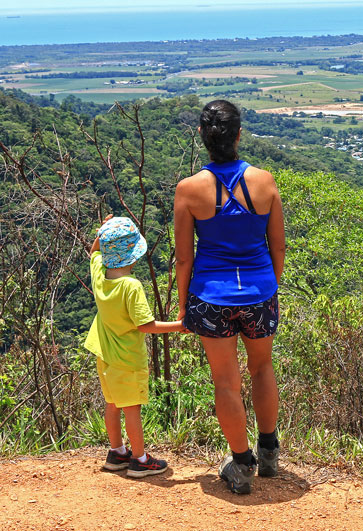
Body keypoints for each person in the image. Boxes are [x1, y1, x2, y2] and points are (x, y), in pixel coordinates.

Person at [173, 99, 286, 495]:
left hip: (211, 296)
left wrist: (185, 305)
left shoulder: (189, 190)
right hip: (260, 292)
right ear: (239, 135)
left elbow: (184, 257)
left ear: (203, 137)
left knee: (226, 381)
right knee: (262, 369)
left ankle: (241, 467)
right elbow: (278, 247)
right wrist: (268, 287)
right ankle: (269, 452)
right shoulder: (265, 181)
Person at [84, 215, 185, 478]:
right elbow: (145, 325)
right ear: (134, 255)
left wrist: (102, 232)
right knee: (132, 409)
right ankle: (140, 459)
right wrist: (180, 325)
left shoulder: (100, 276)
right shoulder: (131, 287)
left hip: (103, 354)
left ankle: (117, 452)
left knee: (112, 403)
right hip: (127, 359)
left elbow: (94, 251)